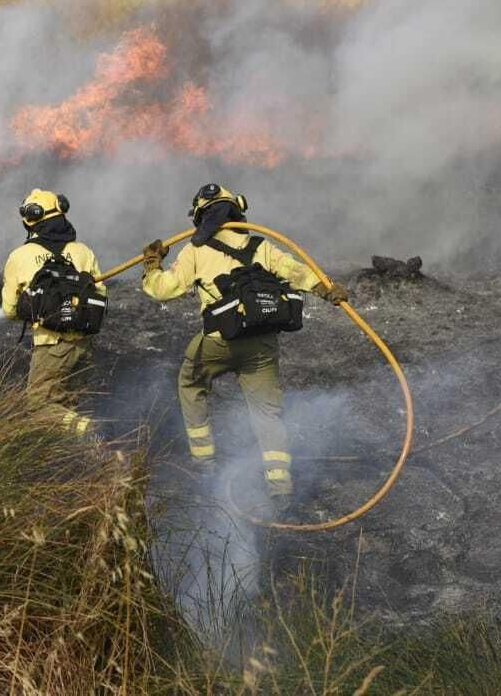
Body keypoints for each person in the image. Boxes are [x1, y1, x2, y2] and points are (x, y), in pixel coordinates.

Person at [140, 183, 348, 511]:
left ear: (199, 215)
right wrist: (326, 289)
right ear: (237, 210)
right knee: (267, 412)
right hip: (262, 345)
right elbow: (297, 271)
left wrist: (152, 266)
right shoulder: (259, 244)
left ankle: (204, 464)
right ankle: (280, 486)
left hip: (218, 343)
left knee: (191, 383)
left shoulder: (195, 250)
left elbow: (163, 290)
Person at [0, 190, 105, 437]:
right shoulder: (83, 252)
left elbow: (9, 310)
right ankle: (95, 462)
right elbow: (100, 293)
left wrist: (33, 307)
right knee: (68, 408)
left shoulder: (20, 256)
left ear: (31, 218)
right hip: (84, 345)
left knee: (39, 406)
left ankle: (90, 431)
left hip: (51, 345)